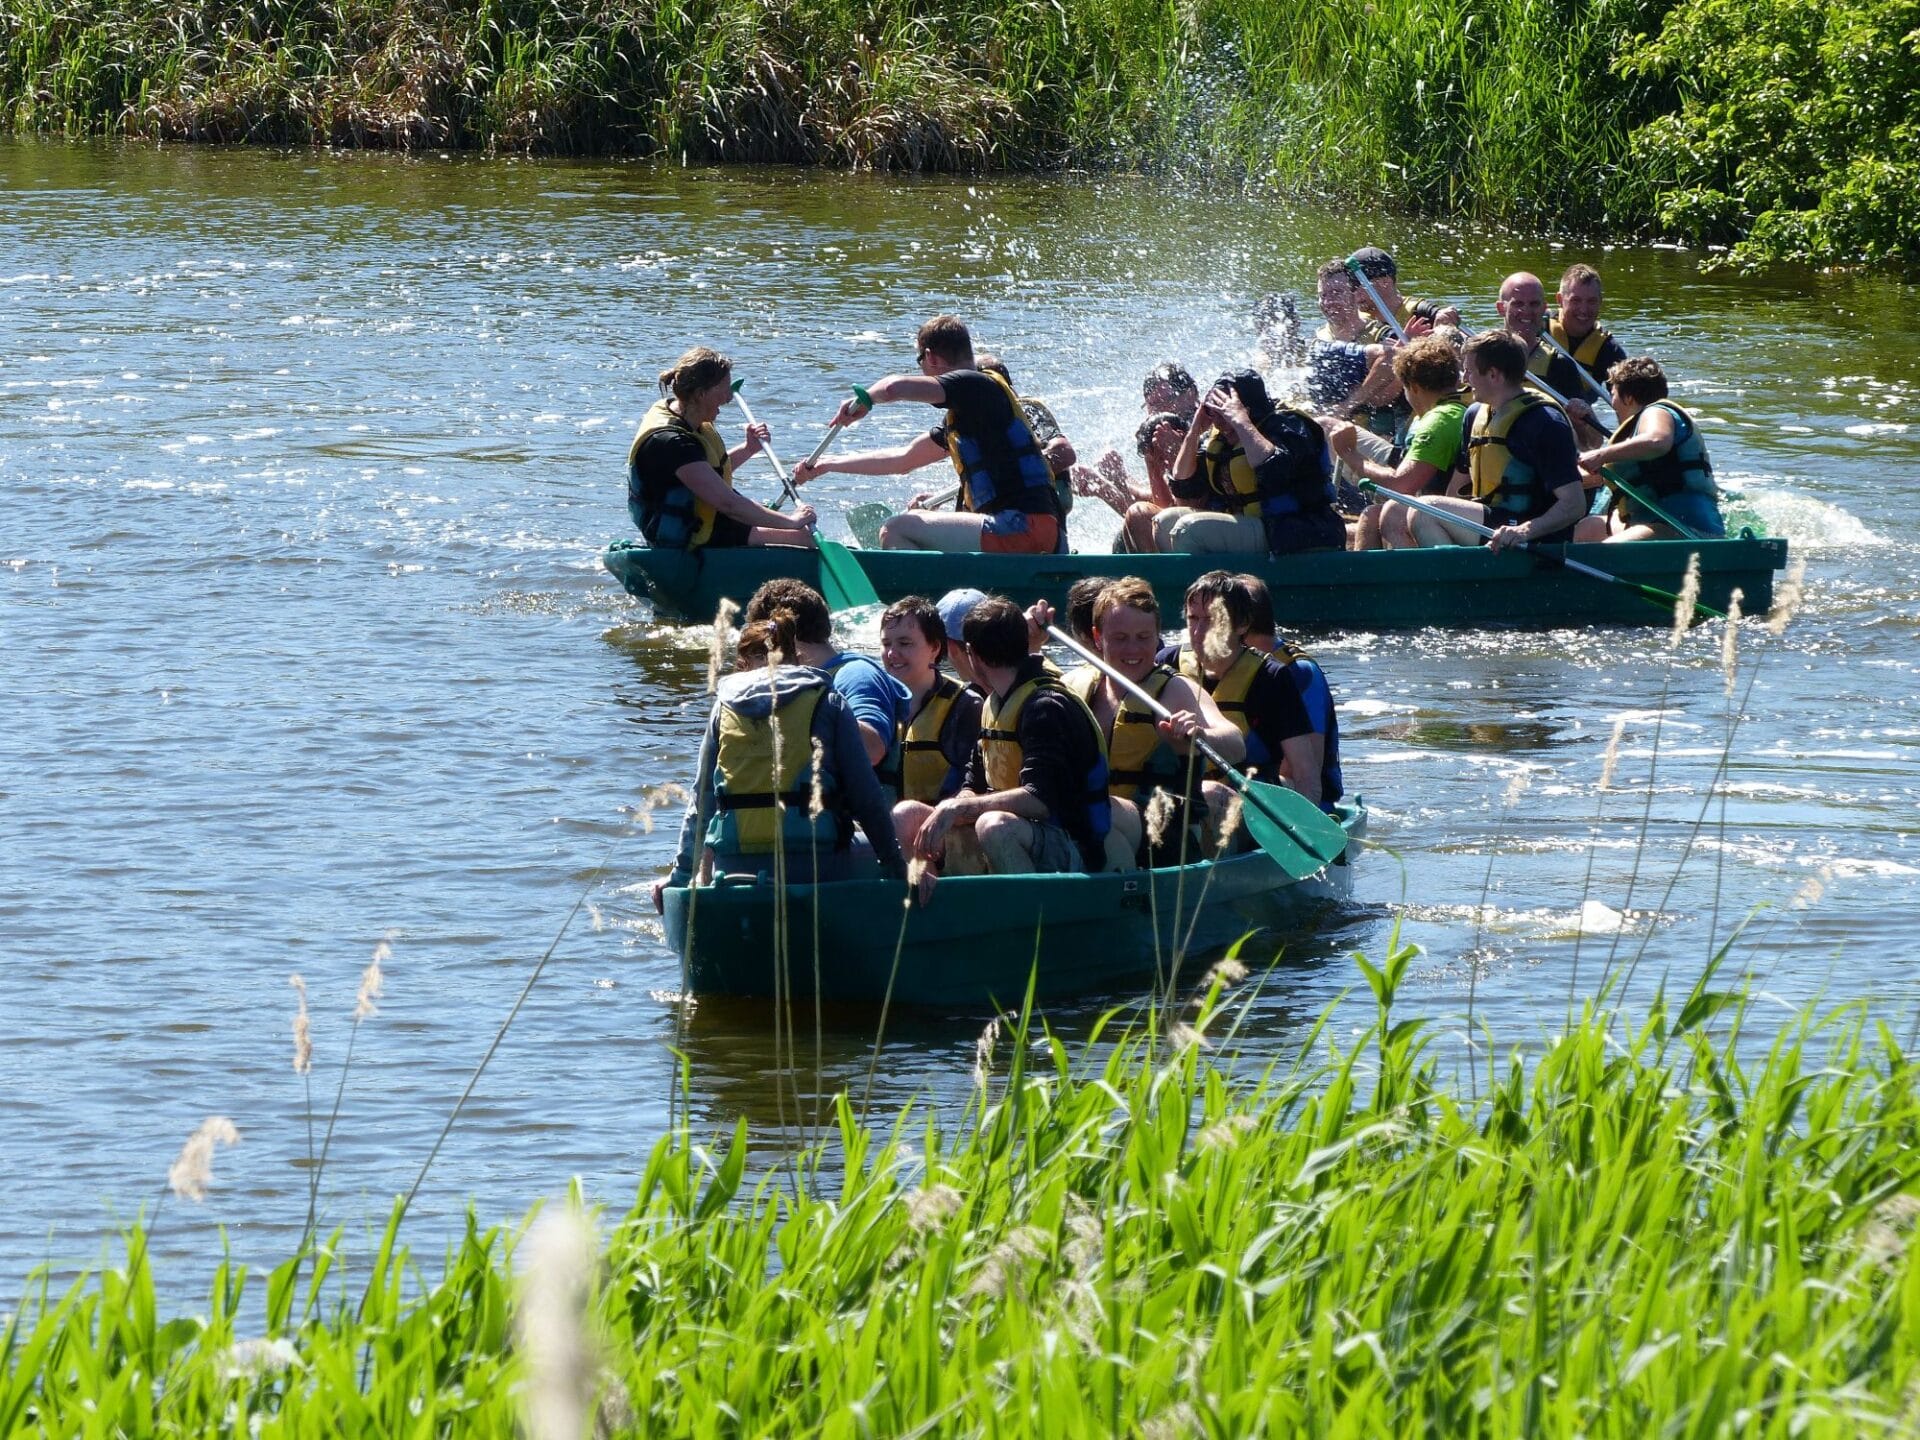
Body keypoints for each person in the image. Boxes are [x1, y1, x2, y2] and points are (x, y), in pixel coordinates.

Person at [651, 609, 906, 912]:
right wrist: (895, 864)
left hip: (733, 865)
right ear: (798, 659)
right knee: (892, 844)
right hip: (816, 864)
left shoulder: (722, 708)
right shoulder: (828, 701)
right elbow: (866, 796)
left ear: (743, 665)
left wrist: (679, 877)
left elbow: (701, 802)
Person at [791, 316, 1065, 555]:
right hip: (1024, 530)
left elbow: (893, 388)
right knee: (915, 520)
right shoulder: (971, 416)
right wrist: (827, 465)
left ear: (930, 357)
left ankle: (919, 598)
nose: (922, 368)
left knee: (895, 529)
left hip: (1023, 527)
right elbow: (902, 459)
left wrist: (865, 400)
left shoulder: (976, 385)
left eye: (920, 361)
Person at [905, 597, 1123, 881]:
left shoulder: (1045, 707)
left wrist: (961, 807)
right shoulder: (993, 703)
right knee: (908, 814)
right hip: (1017, 833)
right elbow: (973, 783)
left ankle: (1029, 909)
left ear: (972, 654)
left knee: (995, 825)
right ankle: (928, 900)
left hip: (1072, 847)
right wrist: (953, 809)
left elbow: (1041, 800)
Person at [1062, 578, 1243, 866]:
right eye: (1120, 638)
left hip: (1163, 833)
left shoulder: (1175, 690)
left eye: (1143, 637)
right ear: (1097, 637)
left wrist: (1202, 736)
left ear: (1157, 635)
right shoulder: (1075, 685)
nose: (1133, 649)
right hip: (1090, 822)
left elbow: (1235, 743)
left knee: (1099, 812)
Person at [1385, 330, 1589, 551]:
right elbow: (1456, 488)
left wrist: (1523, 531)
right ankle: (1448, 568)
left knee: (1424, 511)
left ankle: (1459, 573)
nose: (1464, 379)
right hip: (1492, 519)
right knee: (1397, 509)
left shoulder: (1545, 423)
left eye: (1469, 371)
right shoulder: (1474, 415)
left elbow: (1574, 505)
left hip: (1532, 532)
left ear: (1493, 375)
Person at [1159, 572, 1342, 813]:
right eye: (1193, 619)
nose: (1199, 632)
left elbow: (1306, 775)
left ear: (1242, 625)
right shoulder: (1165, 664)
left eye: (1213, 620)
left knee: (1210, 793)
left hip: (1252, 803)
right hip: (1179, 797)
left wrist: (1307, 825)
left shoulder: (1273, 678)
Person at [627, 346, 819, 549]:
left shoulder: (684, 415)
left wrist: (748, 449)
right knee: (803, 538)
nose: (729, 398)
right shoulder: (671, 442)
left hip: (706, 516)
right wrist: (791, 522)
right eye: (724, 389)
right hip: (689, 534)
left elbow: (706, 474)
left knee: (788, 527)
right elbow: (729, 504)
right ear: (701, 394)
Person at [1155, 370, 1344, 554]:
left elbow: (1275, 472)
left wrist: (1241, 422)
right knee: (1164, 523)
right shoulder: (1219, 439)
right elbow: (1184, 484)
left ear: (1248, 411)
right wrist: (1195, 428)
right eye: (1215, 413)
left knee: (1188, 529)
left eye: (1226, 414)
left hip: (1298, 531)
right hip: (1253, 526)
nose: (1219, 423)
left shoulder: (1290, 427)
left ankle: (1209, 578)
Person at [741, 579, 907, 778]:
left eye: (760, 647)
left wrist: (814, 710)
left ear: (778, 636)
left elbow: (873, 749)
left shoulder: (855, 674)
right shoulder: (805, 682)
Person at [1325, 336, 1470, 549]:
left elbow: (1401, 485)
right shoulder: (1455, 408)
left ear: (1413, 387)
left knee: (1388, 512)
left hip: (1444, 518)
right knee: (1372, 515)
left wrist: (1349, 453)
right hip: (1443, 509)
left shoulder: (1441, 419)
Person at [1573, 357, 1725, 542]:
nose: (1612, 402)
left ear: (1628, 398)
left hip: (1687, 528)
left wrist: (1600, 454)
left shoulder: (1656, 412)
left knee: (1608, 549)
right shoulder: (1634, 442)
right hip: (1653, 523)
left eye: (1613, 394)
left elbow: (1657, 440)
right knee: (1589, 528)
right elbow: (1593, 478)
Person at [1306, 259, 1406, 512]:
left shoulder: (1383, 336)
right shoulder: (1317, 341)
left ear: (1357, 294)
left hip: (1374, 440)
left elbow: (1386, 396)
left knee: (1325, 426)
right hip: (1327, 438)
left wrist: (1346, 406)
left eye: (1337, 293)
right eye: (1323, 295)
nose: (1329, 302)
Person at [876, 598, 984, 830]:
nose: (892, 653)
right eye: (886, 644)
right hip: (880, 832)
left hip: (942, 833)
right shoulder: (873, 703)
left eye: (905, 643)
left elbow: (977, 786)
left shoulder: (966, 707)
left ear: (935, 648)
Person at [1075, 363, 1200, 552]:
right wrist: (1120, 478)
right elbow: (1158, 497)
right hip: (1184, 523)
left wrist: (1105, 489)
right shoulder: (1162, 433)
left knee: (1128, 531)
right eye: (1152, 405)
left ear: (1191, 394)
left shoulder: (1199, 433)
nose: (1158, 412)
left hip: (1210, 530)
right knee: (1123, 536)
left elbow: (1166, 510)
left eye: (1166, 400)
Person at [1498, 270, 1606, 449]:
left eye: (1534, 304)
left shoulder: (1560, 364)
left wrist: (1581, 422)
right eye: (1518, 304)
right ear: (1501, 308)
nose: (1526, 311)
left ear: (1544, 308)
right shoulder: (1481, 354)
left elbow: (1594, 443)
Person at [978, 352, 1077, 530]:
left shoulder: (1027, 410)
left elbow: (1065, 453)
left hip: (1036, 522)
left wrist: (1009, 479)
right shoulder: (969, 425)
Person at [1544, 263, 1628, 427]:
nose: (1584, 309)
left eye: (1591, 301)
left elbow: (1627, 407)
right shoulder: (1539, 329)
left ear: (1600, 302)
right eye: (1576, 300)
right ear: (1560, 300)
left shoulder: (1610, 351)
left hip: (1576, 423)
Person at [1348, 246, 1460, 335]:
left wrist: (1445, 331)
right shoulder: (1351, 320)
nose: (1351, 292)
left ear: (1385, 282)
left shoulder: (1422, 315)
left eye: (1356, 284)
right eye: (1348, 285)